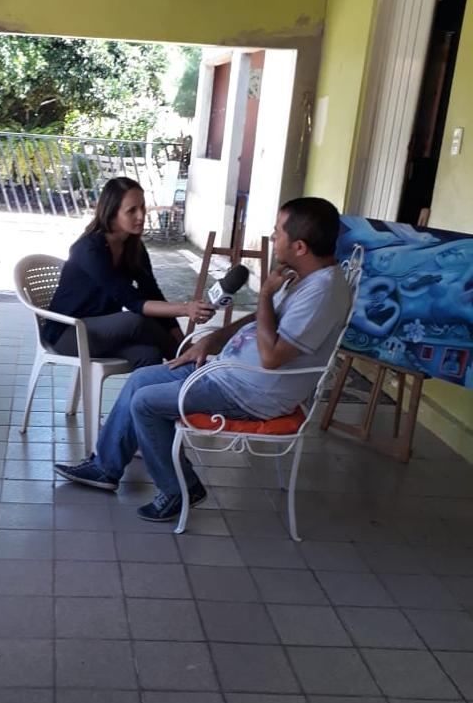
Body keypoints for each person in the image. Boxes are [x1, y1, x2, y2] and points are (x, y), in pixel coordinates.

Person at [54, 197, 352, 522]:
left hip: (250, 393)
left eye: (278, 231)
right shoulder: (300, 277)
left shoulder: (322, 293)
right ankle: (105, 468)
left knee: (146, 403)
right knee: (141, 378)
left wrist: (265, 293)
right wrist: (212, 340)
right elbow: (260, 319)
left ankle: (180, 489)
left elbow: (271, 357)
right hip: (228, 373)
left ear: (299, 247)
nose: (272, 236)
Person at [43, 176, 215, 367]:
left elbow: (153, 294)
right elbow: (132, 302)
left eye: (142, 207)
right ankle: (194, 367)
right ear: (112, 212)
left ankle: (180, 370)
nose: (141, 216)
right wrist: (185, 310)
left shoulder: (133, 248)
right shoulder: (89, 249)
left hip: (102, 332)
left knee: (150, 354)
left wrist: (181, 340)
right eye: (131, 210)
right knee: (137, 321)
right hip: (69, 333)